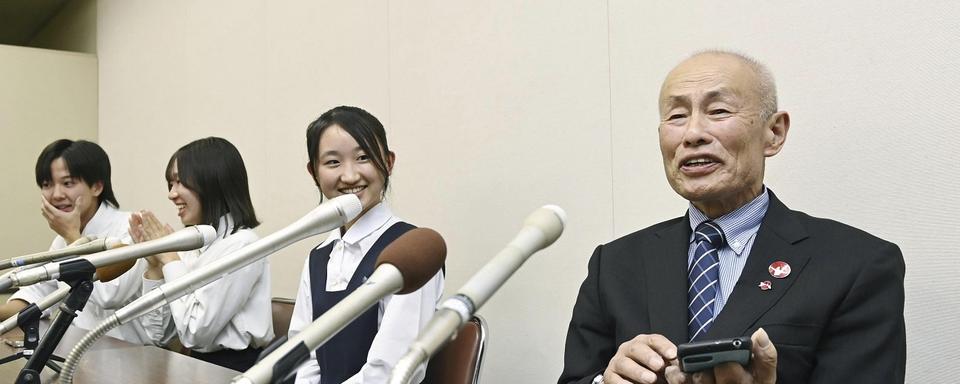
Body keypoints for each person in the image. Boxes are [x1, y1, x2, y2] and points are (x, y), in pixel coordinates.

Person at [559, 51, 906, 384]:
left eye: (719, 110)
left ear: (774, 133)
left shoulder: (856, 264)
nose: (692, 134)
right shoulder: (616, 265)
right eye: (677, 116)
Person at [288, 106, 445, 384]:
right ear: (314, 172)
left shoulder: (411, 254)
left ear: (388, 162)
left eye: (363, 158)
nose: (349, 176)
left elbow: (390, 370)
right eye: (333, 162)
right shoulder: (319, 257)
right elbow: (302, 355)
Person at [129, 137, 272, 371]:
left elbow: (195, 333)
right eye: (170, 184)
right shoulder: (193, 245)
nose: (171, 194)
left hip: (235, 370)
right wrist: (155, 266)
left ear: (213, 182)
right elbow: (158, 335)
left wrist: (170, 259)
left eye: (179, 182)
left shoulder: (243, 245)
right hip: (194, 366)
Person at [0, 139, 153, 344]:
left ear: (97, 186)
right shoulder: (62, 239)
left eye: (68, 183)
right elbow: (39, 294)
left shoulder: (131, 227)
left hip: (129, 356)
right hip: (80, 352)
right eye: (47, 185)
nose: (56, 195)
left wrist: (73, 236)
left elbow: (109, 295)